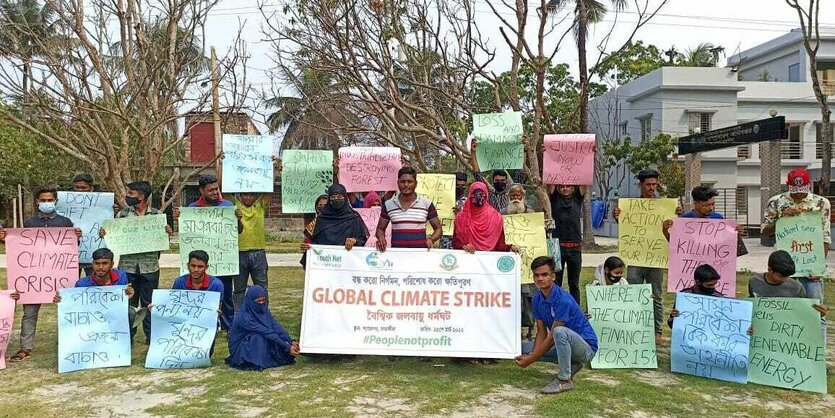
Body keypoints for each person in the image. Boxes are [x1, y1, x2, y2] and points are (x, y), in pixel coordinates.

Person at [0, 187, 82, 362]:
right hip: (33, 278)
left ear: (55, 201)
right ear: (37, 202)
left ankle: (67, 343)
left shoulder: (65, 222)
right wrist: (7, 238)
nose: (46, 203)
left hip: (59, 276)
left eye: (49, 200)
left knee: (65, 309)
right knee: (29, 313)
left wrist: (77, 236)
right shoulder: (29, 223)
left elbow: (72, 247)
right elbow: (22, 245)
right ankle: (25, 347)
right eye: (43, 200)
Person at [100, 181, 172, 344]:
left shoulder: (156, 216)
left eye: (131, 193)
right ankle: (128, 336)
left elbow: (161, 240)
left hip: (150, 266)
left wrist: (166, 232)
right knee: (128, 303)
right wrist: (106, 234)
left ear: (142, 196)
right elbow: (113, 239)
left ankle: (151, 337)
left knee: (149, 304)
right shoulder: (122, 215)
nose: (128, 196)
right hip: (128, 267)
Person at [516, 256, 598, 395]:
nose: (540, 278)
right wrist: (531, 355)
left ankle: (564, 380)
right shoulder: (537, 298)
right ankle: (573, 364)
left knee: (559, 332)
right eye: (536, 275)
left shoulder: (562, 299)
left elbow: (553, 336)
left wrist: (532, 359)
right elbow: (541, 331)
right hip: (563, 342)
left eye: (544, 274)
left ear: (553, 276)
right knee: (521, 349)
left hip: (586, 348)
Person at [306, 184, 369, 361]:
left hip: (346, 275)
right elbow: (310, 241)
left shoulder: (354, 219)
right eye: (332, 196)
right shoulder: (320, 219)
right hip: (324, 275)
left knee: (345, 310)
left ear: (345, 197)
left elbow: (363, 240)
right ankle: (321, 347)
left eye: (340, 196)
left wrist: (354, 240)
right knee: (324, 310)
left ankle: (346, 347)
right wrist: (307, 250)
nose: (336, 200)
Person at [174, 175, 243, 331]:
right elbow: (186, 233)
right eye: (210, 190)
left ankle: (228, 327)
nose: (215, 192)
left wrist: (238, 220)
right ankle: (199, 323)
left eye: (216, 189)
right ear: (201, 190)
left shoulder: (227, 205)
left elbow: (238, 231)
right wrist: (180, 218)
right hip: (200, 262)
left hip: (223, 260)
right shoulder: (192, 209)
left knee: (225, 296)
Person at [761, 168, 830, 303]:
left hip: (810, 262)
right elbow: (765, 231)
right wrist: (781, 219)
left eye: (802, 190)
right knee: (785, 304)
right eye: (795, 190)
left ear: (809, 185)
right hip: (783, 263)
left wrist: (819, 267)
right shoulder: (776, 202)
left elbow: (825, 236)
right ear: (788, 185)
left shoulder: (821, 203)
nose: (798, 194)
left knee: (814, 305)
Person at [613, 169, 666, 344]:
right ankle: (633, 327)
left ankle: (657, 331)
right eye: (648, 184)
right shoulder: (631, 205)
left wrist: (676, 215)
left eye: (654, 184)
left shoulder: (664, 207)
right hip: (635, 258)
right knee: (633, 292)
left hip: (656, 257)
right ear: (641, 185)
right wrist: (617, 217)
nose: (652, 187)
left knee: (656, 295)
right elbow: (625, 226)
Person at [53, 248, 137, 343]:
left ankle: (126, 341)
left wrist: (128, 295)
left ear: (112, 264)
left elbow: (123, 303)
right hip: (92, 317)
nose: (100, 267)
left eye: (105, 263)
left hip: (114, 313)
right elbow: (76, 308)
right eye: (97, 263)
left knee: (130, 312)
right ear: (92, 264)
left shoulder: (121, 276)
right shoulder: (82, 284)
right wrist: (62, 301)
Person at [748, 250, 827, 334]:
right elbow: (752, 305)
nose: (784, 279)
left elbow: (804, 313)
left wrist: (818, 314)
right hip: (763, 333)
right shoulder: (754, 281)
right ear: (770, 269)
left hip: (786, 333)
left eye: (787, 276)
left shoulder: (796, 287)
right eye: (780, 276)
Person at [226, 285, 300, 370]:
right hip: (241, 348)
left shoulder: (263, 310)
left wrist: (289, 341)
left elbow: (275, 326)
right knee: (258, 338)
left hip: (263, 335)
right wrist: (287, 347)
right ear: (250, 301)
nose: (261, 303)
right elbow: (265, 332)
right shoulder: (244, 317)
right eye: (258, 301)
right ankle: (252, 361)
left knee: (270, 337)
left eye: (263, 300)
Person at [170, 250, 225, 356]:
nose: (196, 270)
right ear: (188, 265)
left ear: (206, 267)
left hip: (205, 324)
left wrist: (217, 312)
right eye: (193, 266)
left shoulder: (216, 285)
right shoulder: (180, 282)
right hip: (183, 322)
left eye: (200, 267)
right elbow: (172, 306)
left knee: (206, 354)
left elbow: (218, 309)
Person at [376, 166, 443, 251]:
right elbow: (380, 229)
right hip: (397, 256)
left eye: (410, 181)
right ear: (398, 183)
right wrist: (381, 238)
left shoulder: (427, 204)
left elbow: (438, 229)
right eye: (403, 182)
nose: (406, 185)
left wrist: (431, 239)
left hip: (420, 256)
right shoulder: (389, 205)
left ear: (416, 183)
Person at [548, 184, 588, 304]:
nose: (565, 188)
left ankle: (575, 312)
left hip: (575, 248)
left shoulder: (577, 198)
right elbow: (551, 182)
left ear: (573, 188)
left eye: (568, 186)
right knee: (556, 283)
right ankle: (555, 309)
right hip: (558, 248)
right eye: (562, 186)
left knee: (574, 283)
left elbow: (583, 181)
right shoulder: (554, 198)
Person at [233, 192, 270, 310]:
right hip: (239, 253)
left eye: (251, 195)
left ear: (255, 196)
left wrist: (274, 173)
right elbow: (223, 190)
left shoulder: (260, 206)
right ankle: (238, 317)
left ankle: (263, 314)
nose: (248, 197)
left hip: (258, 253)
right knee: (239, 290)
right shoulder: (235, 206)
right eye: (245, 195)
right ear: (240, 196)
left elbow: (268, 190)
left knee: (262, 288)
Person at [469, 137, 510, 213]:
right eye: (497, 180)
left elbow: (520, 176)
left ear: (506, 181)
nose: (500, 182)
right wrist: (473, 152)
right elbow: (477, 174)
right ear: (493, 181)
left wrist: (524, 151)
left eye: (502, 180)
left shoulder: (511, 195)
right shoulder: (488, 195)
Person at [70, 173, 96, 276]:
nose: (80, 190)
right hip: (71, 255)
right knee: (71, 285)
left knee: (94, 284)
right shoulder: (63, 203)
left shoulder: (102, 202)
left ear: (91, 188)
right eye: (77, 187)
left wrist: (112, 210)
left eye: (83, 187)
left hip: (93, 254)